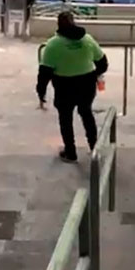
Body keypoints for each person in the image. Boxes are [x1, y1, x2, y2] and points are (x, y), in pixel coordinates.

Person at [36, 12, 108, 163]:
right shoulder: (87, 40)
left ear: (58, 25)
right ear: (74, 22)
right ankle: (94, 147)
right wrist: (95, 75)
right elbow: (103, 63)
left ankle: (70, 152)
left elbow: (44, 73)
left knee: (65, 119)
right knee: (86, 113)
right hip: (86, 84)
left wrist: (41, 92)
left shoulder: (53, 45)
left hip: (64, 87)